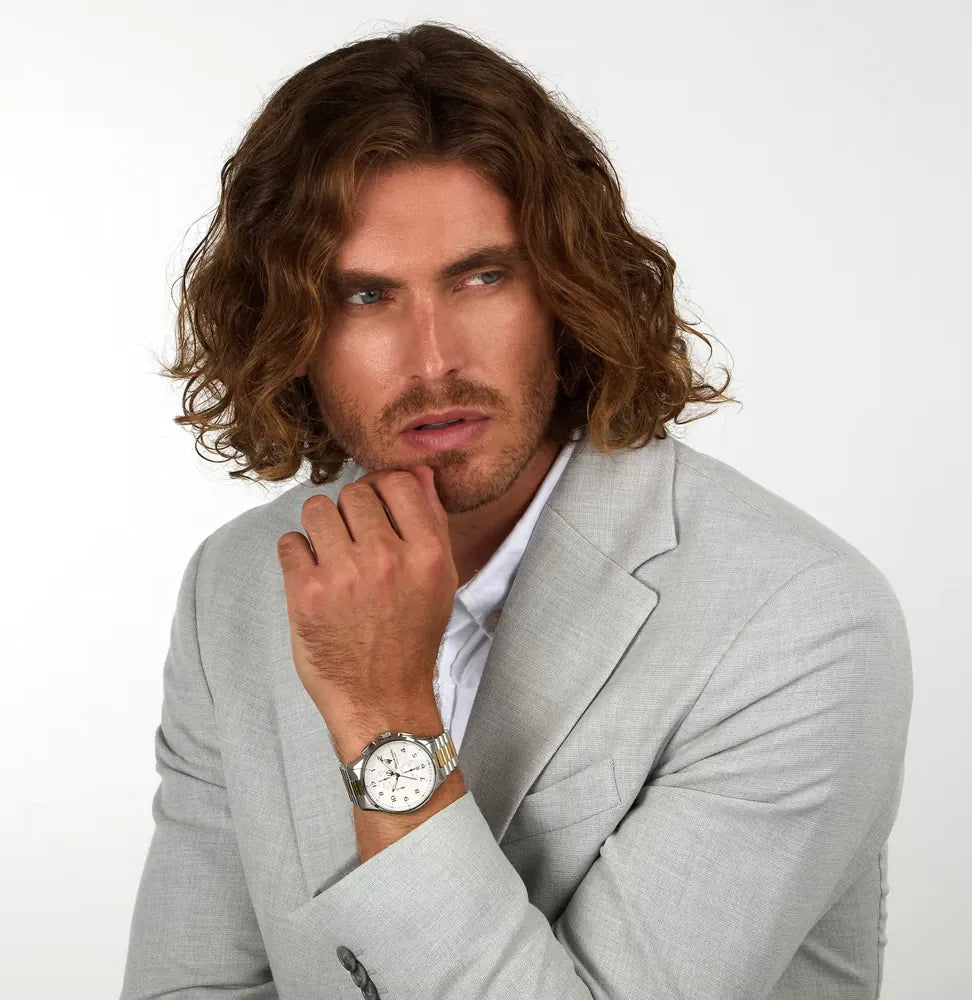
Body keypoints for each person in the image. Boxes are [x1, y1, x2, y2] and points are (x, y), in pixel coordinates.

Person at [119, 21, 912, 1000]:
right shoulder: (239, 583)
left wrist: (381, 715)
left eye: (482, 277)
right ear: (288, 328)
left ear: (567, 290)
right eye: (365, 297)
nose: (433, 359)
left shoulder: (797, 622)